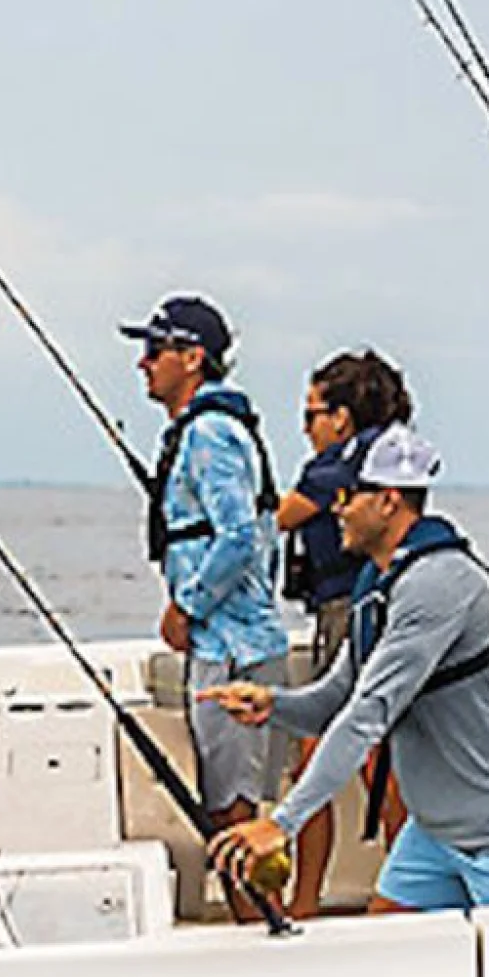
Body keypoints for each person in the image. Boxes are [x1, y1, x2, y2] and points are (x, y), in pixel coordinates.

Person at [199, 424, 489, 913]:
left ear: (388, 501)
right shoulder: (377, 583)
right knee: (387, 960)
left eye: (347, 494)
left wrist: (282, 823)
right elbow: (336, 700)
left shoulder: (438, 583)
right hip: (438, 831)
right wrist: (271, 707)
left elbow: (367, 716)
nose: (336, 507)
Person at [120, 295, 291, 907]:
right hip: (226, 648)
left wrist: (185, 606)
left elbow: (239, 535)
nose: (142, 364)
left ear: (192, 358)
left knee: (234, 818)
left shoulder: (211, 435)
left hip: (231, 652)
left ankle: (264, 938)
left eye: (154, 350)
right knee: (230, 813)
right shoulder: (202, 431)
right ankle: (259, 927)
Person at [273, 350, 410, 917]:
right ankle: (305, 899)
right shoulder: (383, 457)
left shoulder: (334, 471)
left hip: (351, 616)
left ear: (342, 418)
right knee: (333, 759)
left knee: (377, 764)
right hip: (351, 614)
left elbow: (275, 518)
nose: (306, 429)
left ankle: (404, 890)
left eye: (311, 416)